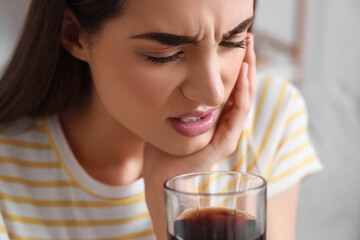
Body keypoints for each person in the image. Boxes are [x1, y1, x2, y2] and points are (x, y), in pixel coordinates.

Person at [0, 0, 322, 239]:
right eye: (165, 55)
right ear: (74, 35)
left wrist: (170, 214)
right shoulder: (8, 179)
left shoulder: (270, 117)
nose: (212, 94)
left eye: (234, 41)